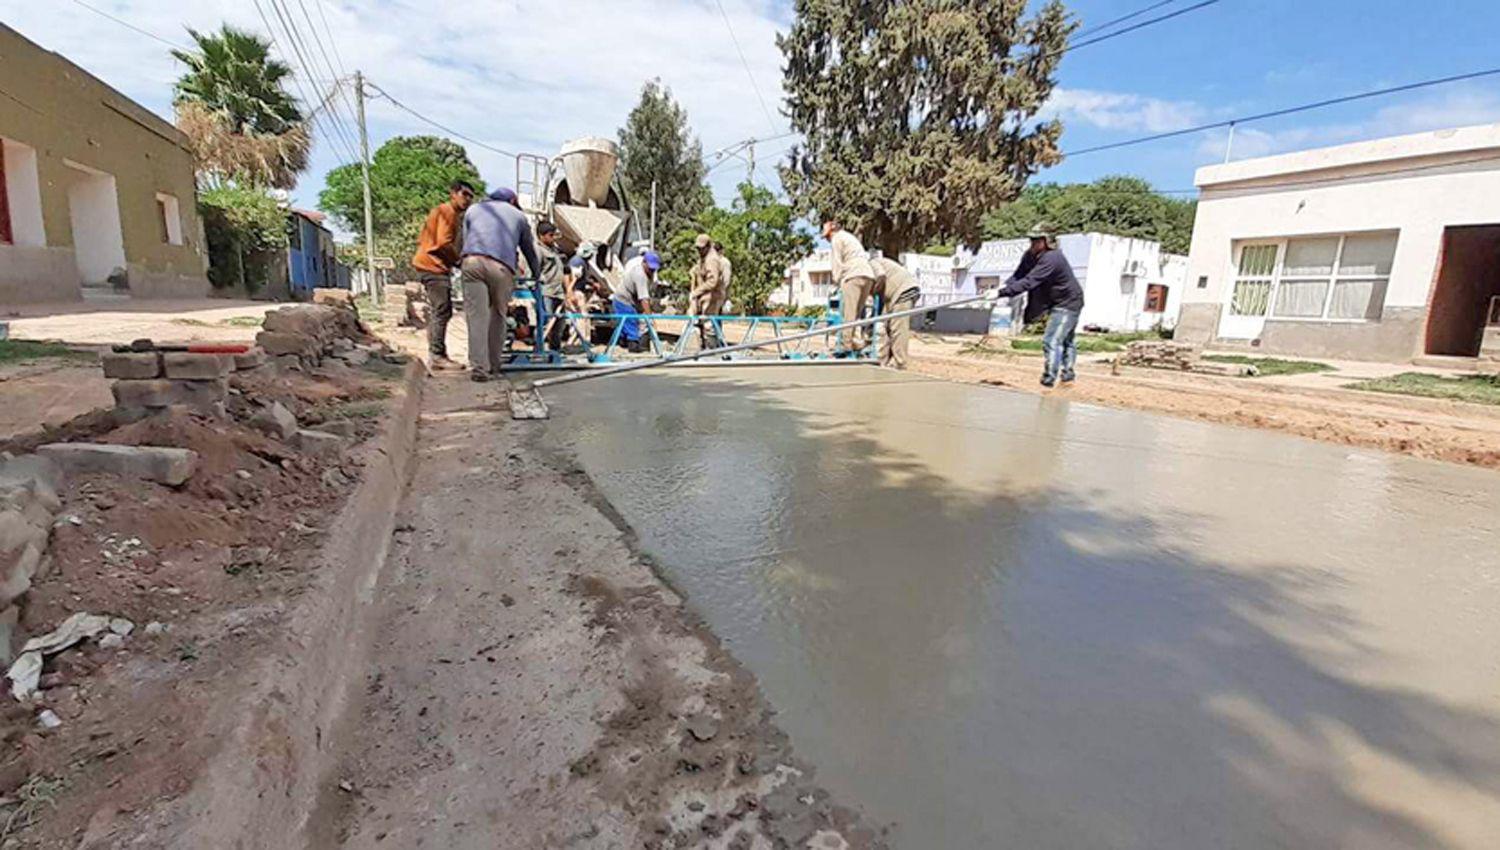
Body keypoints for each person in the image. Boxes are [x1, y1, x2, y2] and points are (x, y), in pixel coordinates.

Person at [459, 187, 540, 382]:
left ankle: (479, 367)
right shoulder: (519, 216)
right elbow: (528, 249)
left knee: (476, 317)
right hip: (501, 267)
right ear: (512, 201)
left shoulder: (473, 210)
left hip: (472, 262)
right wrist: (537, 275)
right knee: (498, 315)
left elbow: (465, 240)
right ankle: (494, 366)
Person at [991, 224, 1085, 387]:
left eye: (1037, 240)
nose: (1033, 244)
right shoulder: (1029, 256)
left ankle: (1050, 378)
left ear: (1047, 241)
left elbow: (1030, 281)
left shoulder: (1053, 258)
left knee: (1053, 340)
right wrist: (1002, 286)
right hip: (1052, 301)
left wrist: (1002, 293)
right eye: (1031, 240)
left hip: (1068, 302)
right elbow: (1019, 276)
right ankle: (1068, 375)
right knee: (1065, 339)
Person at [410, 180, 475, 369]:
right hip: (433, 266)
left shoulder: (445, 212)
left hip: (432, 265)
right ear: (453, 193)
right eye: (464, 194)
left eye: (471, 197)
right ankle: (437, 355)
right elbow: (443, 243)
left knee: (440, 310)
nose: (467, 200)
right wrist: (458, 261)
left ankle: (437, 353)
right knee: (442, 310)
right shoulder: (447, 212)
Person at [823, 219, 875, 355]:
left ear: (832, 231)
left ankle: (845, 346)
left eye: (827, 236)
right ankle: (856, 342)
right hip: (868, 275)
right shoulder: (849, 237)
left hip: (853, 275)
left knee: (848, 314)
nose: (827, 239)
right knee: (856, 313)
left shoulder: (837, 239)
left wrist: (836, 282)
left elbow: (837, 263)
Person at [870, 256, 921, 370]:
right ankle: (882, 360)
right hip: (892, 296)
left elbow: (881, 275)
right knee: (885, 326)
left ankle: (900, 362)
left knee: (898, 327)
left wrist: (873, 291)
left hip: (903, 291)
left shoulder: (872, 263)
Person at [611, 250, 661, 353]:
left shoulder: (649, 273)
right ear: (644, 262)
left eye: (654, 269)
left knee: (625, 325)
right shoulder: (640, 275)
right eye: (650, 268)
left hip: (631, 300)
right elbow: (644, 300)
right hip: (623, 301)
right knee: (631, 324)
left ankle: (622, 344)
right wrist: (650, 318)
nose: (652, 271)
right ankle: (633, 348)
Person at [534, 221, 569, 350]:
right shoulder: (537, 251)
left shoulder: (554, 250)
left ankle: (555, 351)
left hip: (558, 292)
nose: (553, 238)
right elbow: (533, 272)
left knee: (559, 325)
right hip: (546, 292)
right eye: (550, 235)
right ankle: (538, 350)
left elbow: (562, 269)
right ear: (541, 235)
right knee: (545, 323)